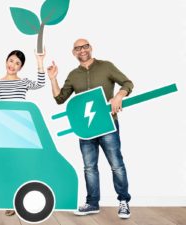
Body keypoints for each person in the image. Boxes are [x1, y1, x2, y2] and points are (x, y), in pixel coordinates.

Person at [47, 38, 133, 219]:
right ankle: (92, 203)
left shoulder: (106, 66)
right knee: (89, 167)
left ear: (91, 48)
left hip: (108, 126)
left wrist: (119, 96)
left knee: (116, 165)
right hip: (85, 130)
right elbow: (60, 99)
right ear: (74, 53)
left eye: (85, 46)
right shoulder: (73, 75)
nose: (82, 50)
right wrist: (53, 78)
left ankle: (123, 201)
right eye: (77, 48)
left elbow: (127, 83)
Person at [0, 49, 45, 217]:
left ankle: (18, 201)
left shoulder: (24, 82)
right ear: (6, 60)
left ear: (21, 67)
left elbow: (41, 83)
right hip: (4, 133)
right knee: (5, 166)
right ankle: (8, 200)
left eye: (17, 63)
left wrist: (40, 61)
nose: (13, 65)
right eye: (11, 60)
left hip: (22, 132)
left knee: (20, 166)